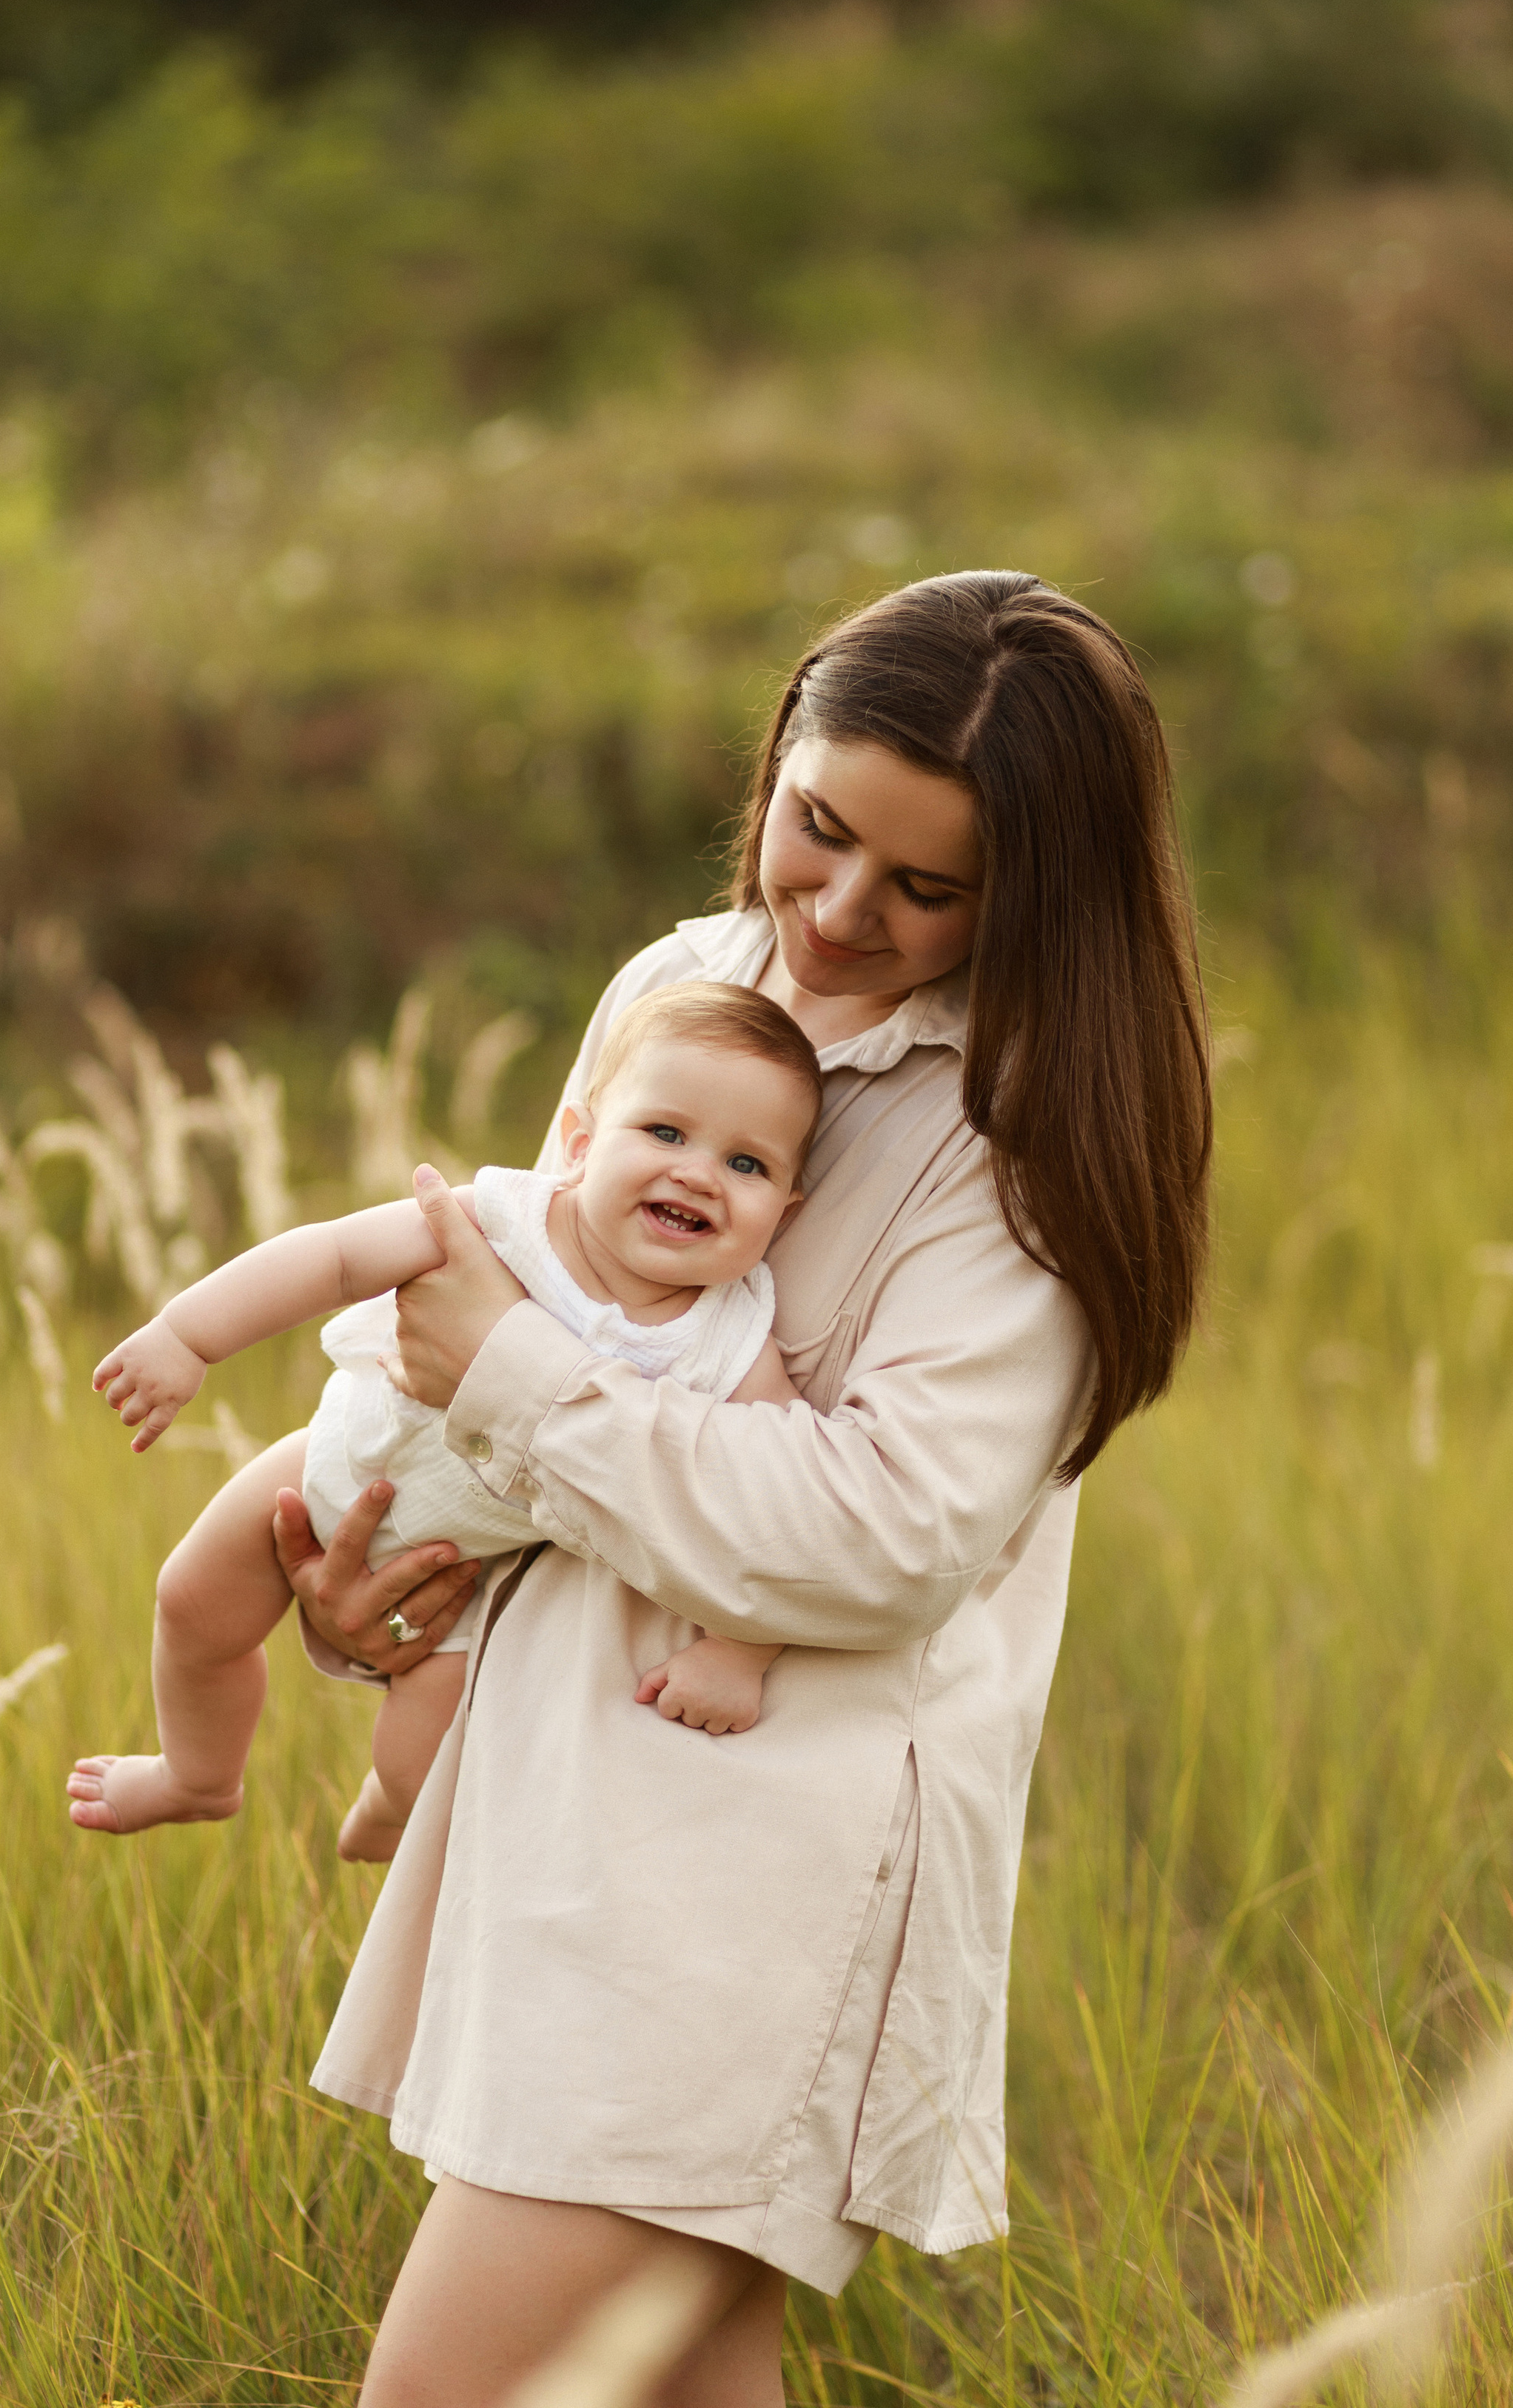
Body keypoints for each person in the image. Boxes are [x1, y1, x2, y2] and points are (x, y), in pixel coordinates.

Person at [278, 570, 1211, 2407]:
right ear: (776, 754)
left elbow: (883, 1539)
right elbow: (550, 1329)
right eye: (815, 824)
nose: (836, 909)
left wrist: (513, 1381)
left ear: (1034, 893)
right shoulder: (677, 988)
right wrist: (374, 1586)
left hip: (758, 1876)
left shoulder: (1019, 1140)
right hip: (561, 1803)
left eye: (923, 886)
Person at [68, 983, 822, 1855]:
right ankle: (196, 1774)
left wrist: (740, 1652)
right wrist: (186, 1337)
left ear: (787, 1211)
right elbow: (337, 1255)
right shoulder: (504, 1222)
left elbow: (777, 1503)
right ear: (579, 1144)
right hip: (332, 1463)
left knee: (425, 1764)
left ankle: (388, 1808)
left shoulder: (726, 1337)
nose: (696, 1172)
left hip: (468, 1573)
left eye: (748, 1165)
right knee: (193, 1601)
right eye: (663, 1132)